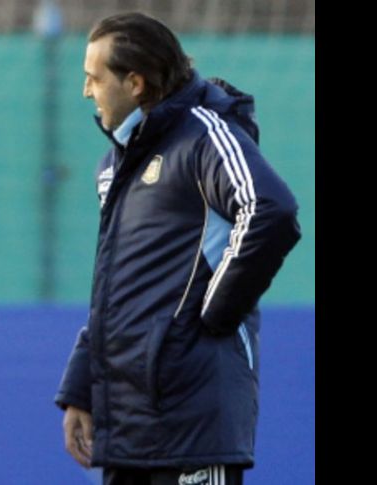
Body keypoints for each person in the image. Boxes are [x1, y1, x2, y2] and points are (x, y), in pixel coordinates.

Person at [54, 12, 301, 485]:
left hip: (194, 420)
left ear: (135, 82)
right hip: (129, 426)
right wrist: (81, 387)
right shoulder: (114, 166)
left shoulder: (207, 134)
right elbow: (114, 287)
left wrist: (215, 314)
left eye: (94, 78)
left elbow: (271, 210)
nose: (86, 91)